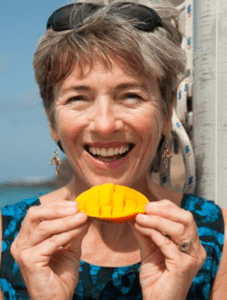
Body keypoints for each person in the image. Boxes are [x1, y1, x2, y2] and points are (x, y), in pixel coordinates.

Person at [0, 0, 226, 299]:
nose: (105, 125)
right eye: (78, 98)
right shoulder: (7, 238)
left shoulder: (216, 237)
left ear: (166, 111)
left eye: (130, 95)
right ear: (52, 120)